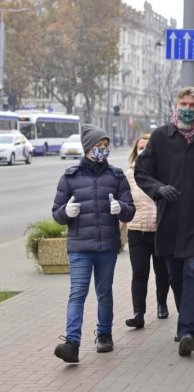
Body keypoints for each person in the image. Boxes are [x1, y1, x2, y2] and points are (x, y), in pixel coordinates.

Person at [134, 87, 194, 357]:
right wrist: (158, 189)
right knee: (175, 274)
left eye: (192, 104)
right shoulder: (160, 137)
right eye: (183, 103)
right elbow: (142, 172)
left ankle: (187, 329)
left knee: (193, 270)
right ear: (175, 105)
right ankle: (188, 319)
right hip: (169, 218)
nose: (187, 108)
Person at [52, 125, 136, 363]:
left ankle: (104, 334)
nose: (102, 150)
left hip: (107, 246)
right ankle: (72, 343)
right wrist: (66, 212)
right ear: (87, 148)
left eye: (105, 146)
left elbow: (130, 212)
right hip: (79, 247)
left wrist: (122, 209)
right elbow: (56, 214)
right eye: (98, 146)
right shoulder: (70, 177)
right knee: (77, 293)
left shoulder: (116, 176)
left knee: (104, 292)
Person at [124, 134, 170, 329]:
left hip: (160, 229)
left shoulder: (164, 172)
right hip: (137, 231)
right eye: (140, 148)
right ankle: (138, 313)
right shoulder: (128, 175)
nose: (143, 151)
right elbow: (124, 202)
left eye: (147, 147)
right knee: (139, 273)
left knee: (162, 272)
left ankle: (161, 303)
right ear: (135, 151)